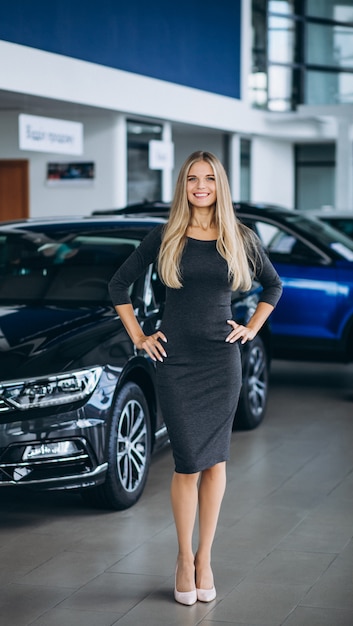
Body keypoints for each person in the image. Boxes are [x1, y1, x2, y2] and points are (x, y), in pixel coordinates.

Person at [108, 150, 282, 606]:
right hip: (177, 362)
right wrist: (139, 336)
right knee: (188, 464)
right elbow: (117, 285)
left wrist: (251, 328)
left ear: (219, 185)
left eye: (208, 179)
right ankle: (183, 559)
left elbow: (274, 285)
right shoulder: (166, 236)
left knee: (217, 463)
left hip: (221, 363)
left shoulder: (238, 236)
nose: (200, 186)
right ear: (183, 186)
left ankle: (206, 557)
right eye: (191, 179)